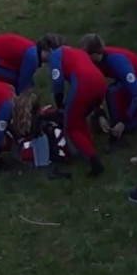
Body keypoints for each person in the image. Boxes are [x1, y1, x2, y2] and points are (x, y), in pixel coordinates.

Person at [79, 34, 137, 142]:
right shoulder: (96, 61)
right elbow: (94, 88)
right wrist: (100, 113)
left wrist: (123, 122)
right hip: (124, 80)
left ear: (94, 54)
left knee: (114, 94)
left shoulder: (118, 62)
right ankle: (115, 128)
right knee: (112, 94)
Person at [48, 45, 109, 177]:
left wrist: (59, 102)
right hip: (100, 82)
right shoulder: (77, 52)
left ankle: (94, 161)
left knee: (71, 127)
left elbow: (57, 81)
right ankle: (89, 149)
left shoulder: (55, 55)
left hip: (84, 85)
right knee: (79, 117)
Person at [0, 32, 64, 94]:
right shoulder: (32, 57)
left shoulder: (30, 50)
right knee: (16, 88)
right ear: (50, 51)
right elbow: (23, 88)